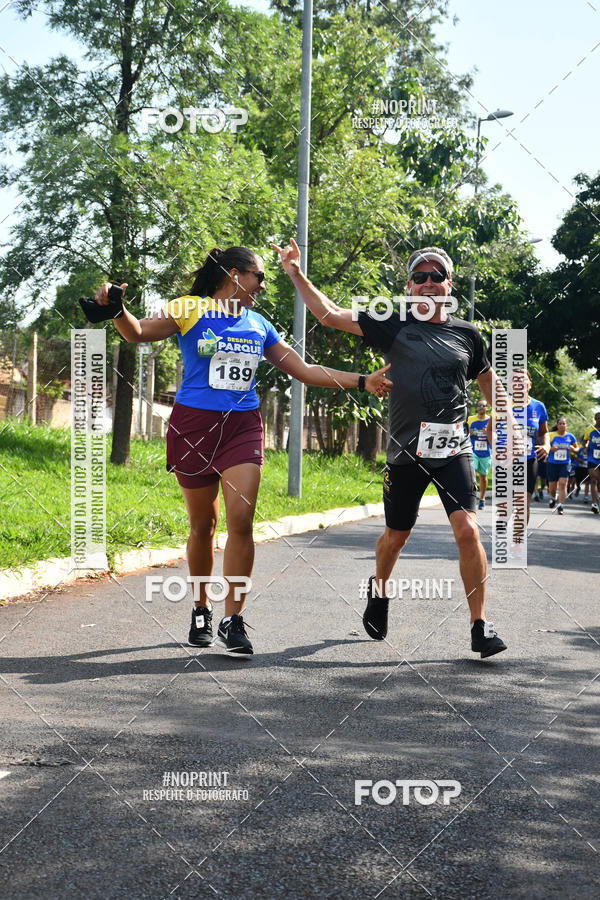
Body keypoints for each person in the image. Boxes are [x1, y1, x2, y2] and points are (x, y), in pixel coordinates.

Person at [89, 246, 392, 655]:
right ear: (234, 275)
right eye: (259, 277)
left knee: (241, 521)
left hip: (242, 427)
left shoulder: (258, 324)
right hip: (194, 426)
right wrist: (117, 311)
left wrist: (361, 380)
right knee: (203, 526)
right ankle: (200, 608)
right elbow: (138, 332)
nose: (263, 286)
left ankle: (233, 620)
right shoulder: (189, 308)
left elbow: (302, 369)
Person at [272, 239, 509, 659]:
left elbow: (491, 388)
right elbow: (328, 315)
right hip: (406, 452)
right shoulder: (392, 322)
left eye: (438, 276)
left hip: (453, 448)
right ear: (409, 286)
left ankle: (480, 626)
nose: (429, 283)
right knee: (396, 537)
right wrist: (295, 272)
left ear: (449, 285)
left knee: (468, 530)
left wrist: (510, 416)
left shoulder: (468, 334)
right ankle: (379, 590)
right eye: (421, 277)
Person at [547, 418, 578, 515]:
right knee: (552, 487)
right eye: (560, 423)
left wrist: (573, 449)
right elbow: (545, 446)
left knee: (563, 483)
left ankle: (561, 505)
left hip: (565, 463)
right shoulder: (551, 435)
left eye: (564, 423)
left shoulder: (570, 436)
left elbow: (577, 449)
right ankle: (553, 497)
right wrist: (551, 448)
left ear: (566, 425)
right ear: (557, 425)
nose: (562, 425)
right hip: (552, 463)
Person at [582, 412, 600, 514]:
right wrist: (584, 448)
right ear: (594, 419)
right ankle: (594, 503)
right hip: (592, 458)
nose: (599, 420)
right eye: (597, 418)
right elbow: (585, 441)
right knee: (593, 479)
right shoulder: (589, 430)